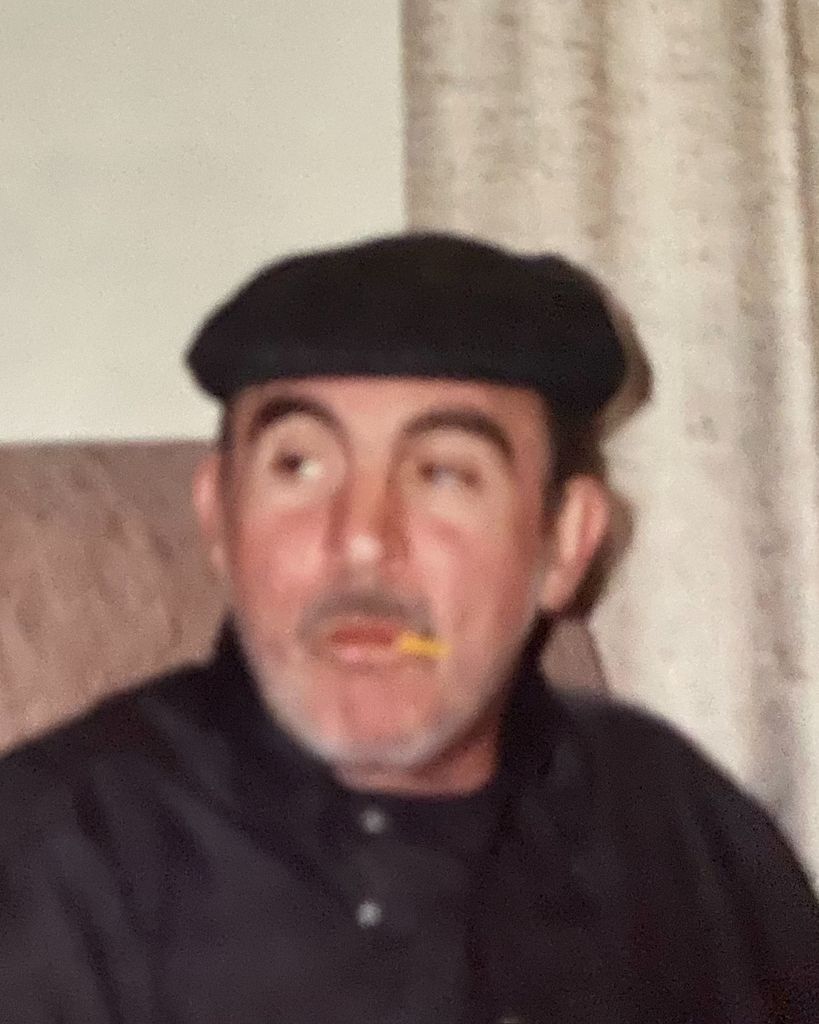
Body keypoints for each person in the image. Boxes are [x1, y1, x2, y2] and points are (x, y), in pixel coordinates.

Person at [0, 233, 816, 1024]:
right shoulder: (57, 857)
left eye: (443, 474)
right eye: (298, 465)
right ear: (219, 517)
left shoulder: (672, 824)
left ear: (565, 544)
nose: (361, 539)